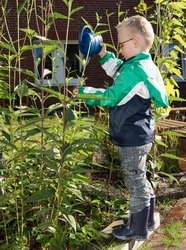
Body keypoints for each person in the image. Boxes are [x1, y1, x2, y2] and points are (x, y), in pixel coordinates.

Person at [74, 15, 169, 241]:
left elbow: (111, 96)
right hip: (139, 134)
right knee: (140, 177)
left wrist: (85, 92)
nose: (119, 48)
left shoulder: (135, 71)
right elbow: (119, 69)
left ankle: (138, 228)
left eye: (121, 44)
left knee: (134, 180)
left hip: (132, 137)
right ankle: (146, 218)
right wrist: (103, 54)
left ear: (134, 42)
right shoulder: (140, 65)